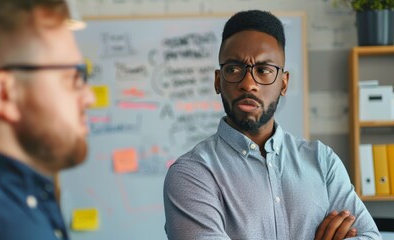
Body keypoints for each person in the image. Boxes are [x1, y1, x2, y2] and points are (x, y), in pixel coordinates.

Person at [163, 10, 381, 240]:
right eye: (234, 69)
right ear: (218, 81)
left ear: (284, 83)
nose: (248, 84)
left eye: (264, 70)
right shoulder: (191, 174)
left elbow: (370, 236)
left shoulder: (322, 161)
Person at [0, 0, 95, 239]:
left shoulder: (19, 201)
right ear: (4, 95)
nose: (88, 97)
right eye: (72, 77)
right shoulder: (2, 225)